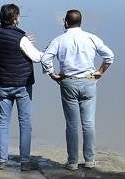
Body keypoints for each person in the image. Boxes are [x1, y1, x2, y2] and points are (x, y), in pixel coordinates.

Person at [42, 9, 114, 170]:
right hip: (89, 80)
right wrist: (100, 71)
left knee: (72, 124)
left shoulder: (59, 40)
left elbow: (46, 58)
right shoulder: (91, 38)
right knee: (88, 123)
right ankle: (89, 160)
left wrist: (52, 74)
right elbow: (109, 56)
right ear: (81, 22)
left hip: (68, 81)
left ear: (66, 22)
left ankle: (73, 162)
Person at [0, 3, 46, 171]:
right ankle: (25, 161)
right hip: (22, 85)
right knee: (25, 122)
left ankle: (1, 160)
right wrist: (49, 50)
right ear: (15, 19)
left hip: (2, 84)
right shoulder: (21, 39)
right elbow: (36, 57)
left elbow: (7, 42)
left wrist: (23, 39)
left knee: (3, 122)